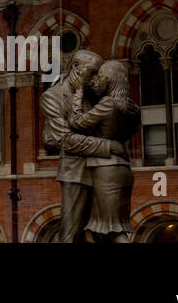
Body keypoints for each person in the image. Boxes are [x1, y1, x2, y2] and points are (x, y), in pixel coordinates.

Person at [39, 49, 126, 242]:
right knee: (71, 233)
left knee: (104, 231)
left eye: (99, 72)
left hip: (103, 172)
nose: (97, 77)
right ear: (76, 68)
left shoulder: (95, 93)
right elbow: (64, 139)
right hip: (76, 173)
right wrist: (108, 147)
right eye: (92, 71)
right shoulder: (52, 97)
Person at [69, 59, 140, 243]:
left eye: (100, 78)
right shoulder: (132, 108)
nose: (96, 82)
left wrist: (78, 93)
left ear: (109, 80)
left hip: (105, 170)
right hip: (121, 169)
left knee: (113, 229)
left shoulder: (108, 104)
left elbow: (76, 122)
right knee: (102, 229)